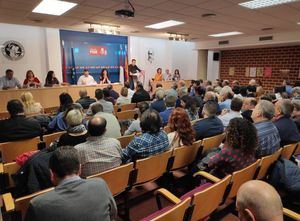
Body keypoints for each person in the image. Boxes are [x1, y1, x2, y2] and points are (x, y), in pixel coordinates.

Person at [25, 146, 117, 221]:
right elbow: (112, 214)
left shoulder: (37, 204)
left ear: (52, 174)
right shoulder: (100, 184)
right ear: (80, 169)